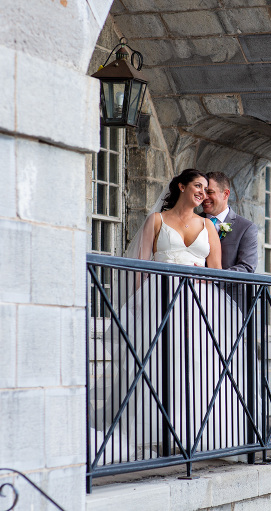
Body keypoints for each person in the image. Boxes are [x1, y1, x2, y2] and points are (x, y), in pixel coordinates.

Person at [93, 169, 250, 464]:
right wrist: (140, 304)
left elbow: (215, 270)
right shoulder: (157, 221)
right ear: (181, 186)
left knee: (197, 365)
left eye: (206, 189)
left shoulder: (209, 226)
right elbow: (140, 267)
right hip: (159, 296)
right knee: (159, 362)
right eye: (198, 186)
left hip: (198, 300)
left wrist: (202, 281)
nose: (203, 192)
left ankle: (198, 434)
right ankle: (156, 433)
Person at [202, 171, 258, 273]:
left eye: (209, 192)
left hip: (227, 288)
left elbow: (247, 267)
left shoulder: (246, 228)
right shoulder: (193, 221)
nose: (205, 197)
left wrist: (214, 277)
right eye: (203, 192)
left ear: (226, 194)